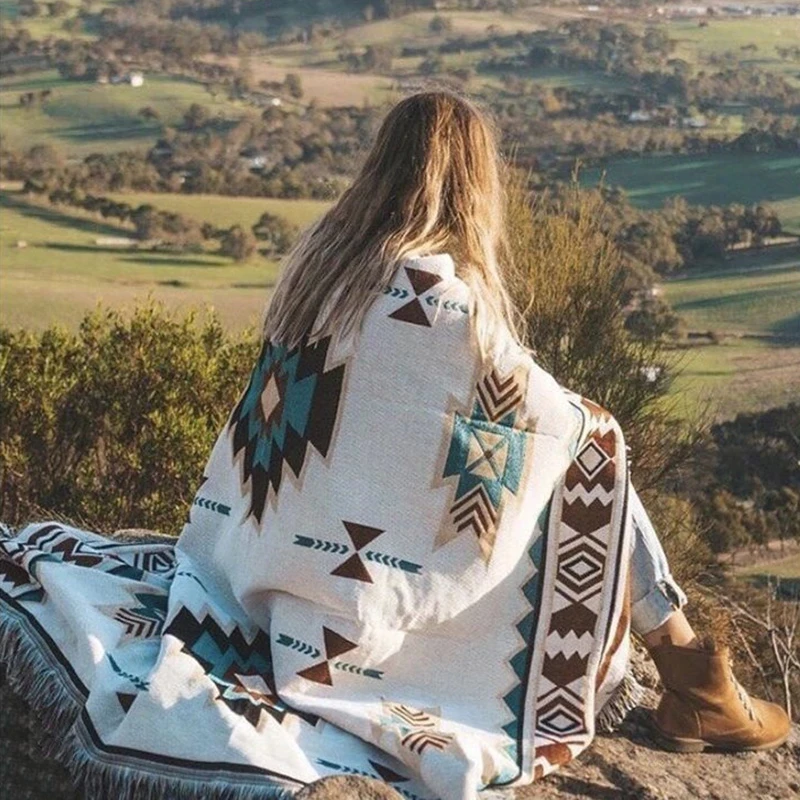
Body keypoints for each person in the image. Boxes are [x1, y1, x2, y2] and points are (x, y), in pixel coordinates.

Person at [0, 92, 789, 800]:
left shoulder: (319, 272)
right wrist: (581, 428)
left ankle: (692, 672)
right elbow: (541, 426)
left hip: (250, 566)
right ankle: (691, 669)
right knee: (591, 444)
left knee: (568, 440)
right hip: (355, 610)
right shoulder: (443, 306)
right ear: (473, 187)